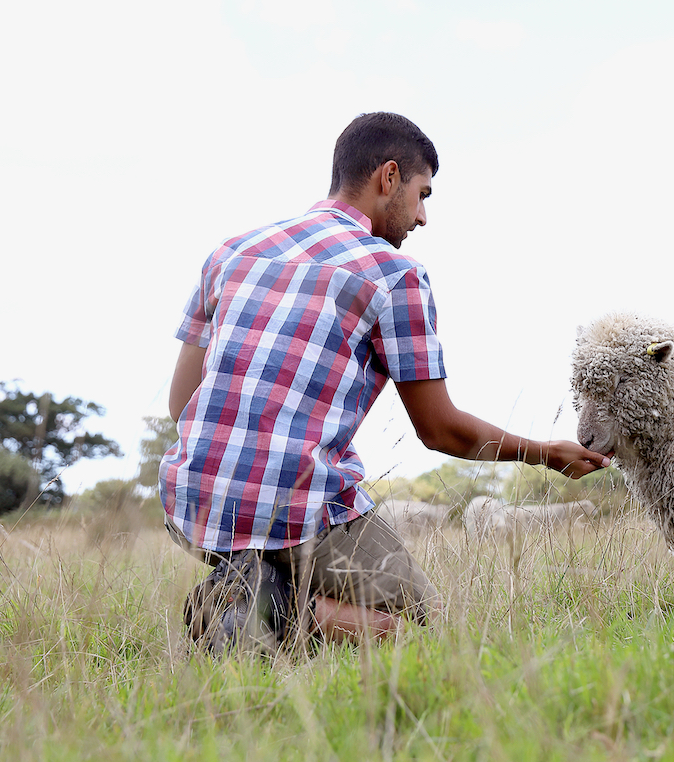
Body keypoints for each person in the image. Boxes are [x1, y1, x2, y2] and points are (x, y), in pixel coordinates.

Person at [159, 112, 609, 653]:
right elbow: (441, 432)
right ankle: (264, 607)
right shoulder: (393, 275)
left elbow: (181, 403)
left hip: (192, 504)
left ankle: (251, 588)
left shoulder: (230, 253)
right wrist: (544, 453)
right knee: (427, 633)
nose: (422, 218)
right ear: (388, 178)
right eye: (422, 194)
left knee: (345, 597)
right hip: (300, 510)